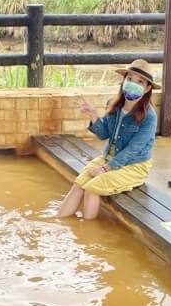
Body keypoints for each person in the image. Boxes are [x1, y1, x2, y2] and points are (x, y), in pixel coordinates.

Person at [57, 60, 158, 220]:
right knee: (79, 184)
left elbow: (133, 149)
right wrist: (93, 116)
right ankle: (57, 222)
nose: (133, 84)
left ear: (147, 88)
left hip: (134, 166)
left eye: (140, 82)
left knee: (92, 188)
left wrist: (106, 169)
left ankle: (88, 233)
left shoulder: (149, 117)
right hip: (108, 158)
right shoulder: (114, 105)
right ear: (123, 81)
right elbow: (105, 134)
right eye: (130, 79)